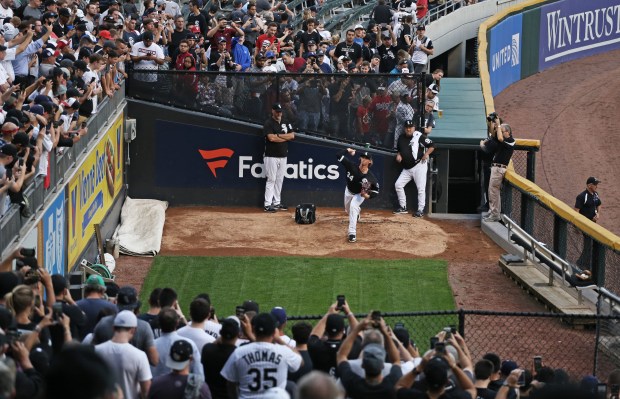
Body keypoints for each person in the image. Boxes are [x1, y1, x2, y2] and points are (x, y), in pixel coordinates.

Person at [220, 313, 302, 398]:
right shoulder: (283, 352)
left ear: (254, 330)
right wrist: (278, 339)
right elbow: (300, 361)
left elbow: (230, 383)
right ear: (274, 332)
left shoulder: (239, 353)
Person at [337, 314, 403, 399]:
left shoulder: (354, 385)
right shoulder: (390, 386)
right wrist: (384, 332)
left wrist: (357, 328)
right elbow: (396, 360)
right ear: (382, 365)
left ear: (362, 364)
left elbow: (341, 355)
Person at [95, 311, 152, 399]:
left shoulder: (96, 351)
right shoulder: (140, 355)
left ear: (113, 328)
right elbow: (146, 391)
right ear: (133, 330)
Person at [337, 148, 380, 243]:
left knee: (353, 206)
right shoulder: (351, 166)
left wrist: (367, 196)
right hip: (348, 191)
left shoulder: (369, 178)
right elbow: (338, 155)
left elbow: (376, 192)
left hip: (359, 195)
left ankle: (352, 233)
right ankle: (357, 213)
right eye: (362, 157)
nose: (364, 159)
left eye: (366, 158)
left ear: (370, 161)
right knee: (348, 210)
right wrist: (347, 150)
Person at [393, 121, 435, 217]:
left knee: (420, 189)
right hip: (407, 168)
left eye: (411, 127)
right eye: (407, 127)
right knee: (398, 185)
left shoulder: (418, 136)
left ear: (414, 128)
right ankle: (403, 207)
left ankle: (420, 210)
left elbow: (432, 145)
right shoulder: (401, 138)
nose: (409, 129)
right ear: (404, 128)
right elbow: (399, 149)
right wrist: (399, 155)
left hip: (419, 166)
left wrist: (426, 154)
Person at [263, 103, 295, 213]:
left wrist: (279, 136)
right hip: (271, 155)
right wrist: (283, 137)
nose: (279, 113)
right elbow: (271, 138)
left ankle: (276, 202)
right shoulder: (268, 123)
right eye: (277, 111)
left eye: (280, 111)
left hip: (283, 155)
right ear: (272, 111)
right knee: (271, 179)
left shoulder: (286, 122)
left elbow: (292, 136)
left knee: (279, 179)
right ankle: (267, 204)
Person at [483, 120, 515, 223]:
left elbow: (500, 137)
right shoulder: (502, 141)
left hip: (499, 169)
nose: (500, 131)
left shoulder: (510, 140)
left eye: (502, 130)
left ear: (507, 132)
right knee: (492, 191)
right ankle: (493, 212)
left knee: (494, 191)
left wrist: (499, 125)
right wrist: (495, 125)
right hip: (495, 168)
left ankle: (495, 214)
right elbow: (494, 134)